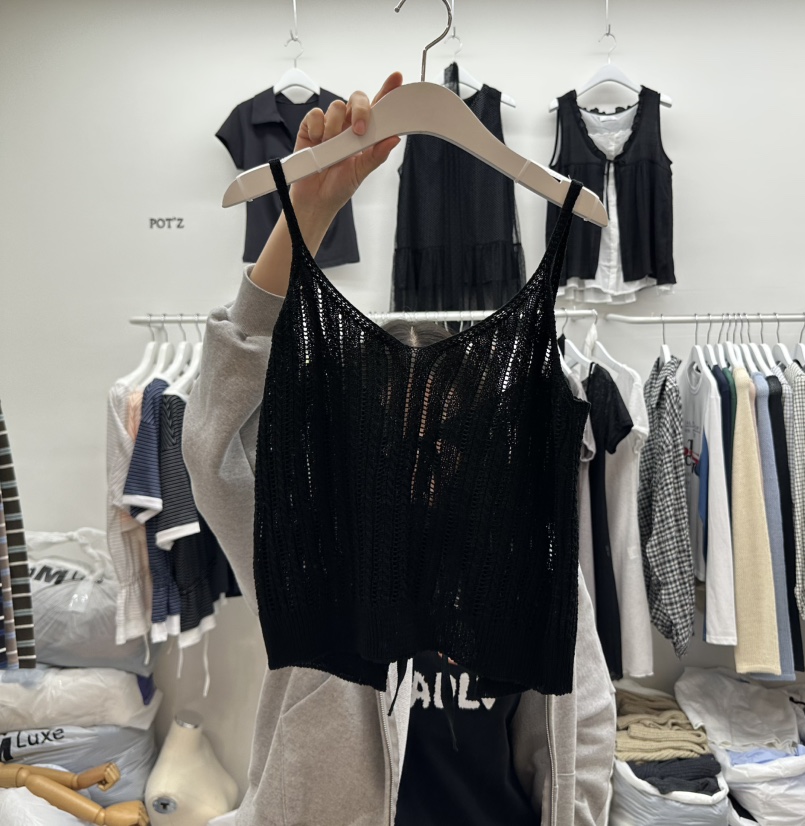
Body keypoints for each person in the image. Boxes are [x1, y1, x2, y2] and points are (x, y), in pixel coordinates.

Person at [182, 71, 616, 826]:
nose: (426, 449)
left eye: (450, 430)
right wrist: (304, 218)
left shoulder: (524, 554)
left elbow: (579, 725)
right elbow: (212, 449)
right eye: (397, 428)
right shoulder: (315, 544)